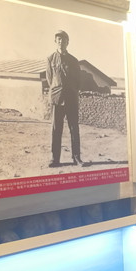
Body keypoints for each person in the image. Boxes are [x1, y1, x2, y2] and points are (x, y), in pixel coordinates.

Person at [46, 30, 83, 168]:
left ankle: (76, 157)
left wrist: (72, 91)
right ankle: (55, 159)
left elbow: (78, 80)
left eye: (64, 39)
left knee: (74, 128)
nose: (61, 42)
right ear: (56, 41)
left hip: (71, 98)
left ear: (68, 42)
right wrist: (57, 90)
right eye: (59, 39)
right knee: (56, 129)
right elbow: (50, 79)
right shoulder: (50, 59)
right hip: (57, 98)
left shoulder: (74, 60)